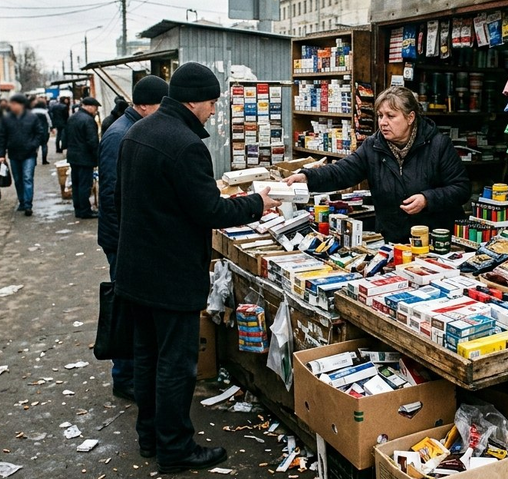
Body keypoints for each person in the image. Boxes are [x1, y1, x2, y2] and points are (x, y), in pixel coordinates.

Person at [115, 63, 279, 473]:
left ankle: (151, 437)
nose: (212, 112)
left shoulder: (139, 131)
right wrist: (258, 203)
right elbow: (210, 209)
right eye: (210, 103)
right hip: (169, 275)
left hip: (134, 271)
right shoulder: (186, 145)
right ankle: (176, 448)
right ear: (193, 100)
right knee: (175, 365)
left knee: (148, 358)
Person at [285, 86, 471, 242]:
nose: (383, 122)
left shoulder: (438, 145)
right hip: (394, 239)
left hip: (435, 239)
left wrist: (427, 199)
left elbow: (461, 188)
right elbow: (342, 171)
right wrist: (307, 177)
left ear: (410, 118)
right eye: (380, 116)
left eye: (391, 116)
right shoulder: (373, 146)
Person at [98, 76, 168, 402]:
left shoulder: (130, 129)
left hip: (124, 238)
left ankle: (130, 373)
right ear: (142, 106)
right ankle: (123, 376)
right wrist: (127, 243)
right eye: (159, 107)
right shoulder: (120, 136)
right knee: (126, 309)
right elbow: (115, 196)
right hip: (121, 241)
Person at [0, 94, 46, 216]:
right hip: (14, 154)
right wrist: (1, 153)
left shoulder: (32, 117)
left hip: (29, 153)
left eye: (14, 104)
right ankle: (22, 201)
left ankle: (28, 204)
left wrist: (33, 145)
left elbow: (39, 133)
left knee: (27, 178)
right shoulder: (7, 119)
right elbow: (2, 136)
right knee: (18, 179)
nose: (12, 106)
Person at [65, 97, 101, 219]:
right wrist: (97, 157)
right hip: (85, 158)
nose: (96, 111)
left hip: (73, 156)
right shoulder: (89, 120)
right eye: (95, 108)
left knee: (76, 184)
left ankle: (78, 209)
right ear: (89, 106)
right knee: (85, 185)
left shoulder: (72, 118)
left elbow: (65, 137)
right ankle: (85, 210)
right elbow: (92, 141)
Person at [31, 98, 52, 164]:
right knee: (44, 145)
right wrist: (51, 128)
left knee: (35, 146)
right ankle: (44, 160)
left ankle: (34, 160)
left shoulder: (32, 112)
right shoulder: (45, 112)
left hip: (34, 130)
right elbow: (49, 121)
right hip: (44, 130)